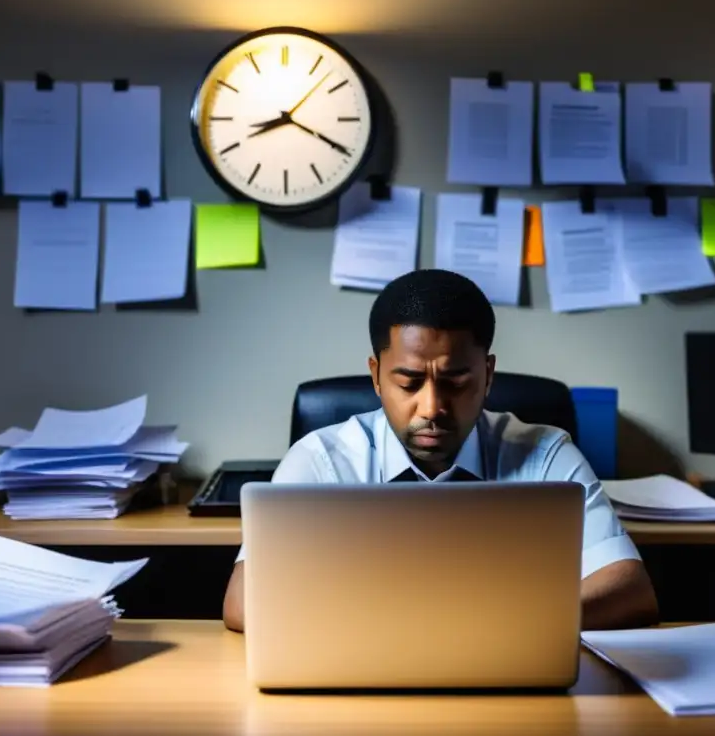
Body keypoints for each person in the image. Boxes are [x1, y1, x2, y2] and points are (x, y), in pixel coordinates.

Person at [223, 269, 658, 632]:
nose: (432, 407)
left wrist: (484, 631)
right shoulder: (320, 459)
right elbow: (243, 603)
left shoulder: (545, 454)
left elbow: (628, 588)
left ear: (487, 374)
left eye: (455, 382)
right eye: (409, 383)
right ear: (376, 376)